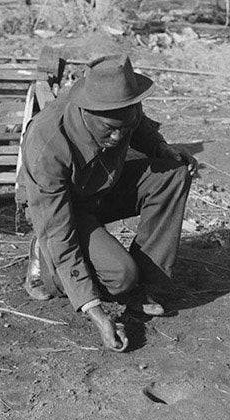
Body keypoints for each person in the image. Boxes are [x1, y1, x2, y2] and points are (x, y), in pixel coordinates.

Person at [18, 54, 197, 351]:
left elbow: (138, 126)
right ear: (88, 111)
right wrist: (96, 312)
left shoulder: (122, 111)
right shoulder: (47, 143)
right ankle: (44, 260)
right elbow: (59, 231)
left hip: (100, 187)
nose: (117, 136)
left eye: (123, 128)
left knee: (173, 175)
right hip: (61, 210)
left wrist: (161, 148)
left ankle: (146, 287)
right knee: (120, 276)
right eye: (109, 128)